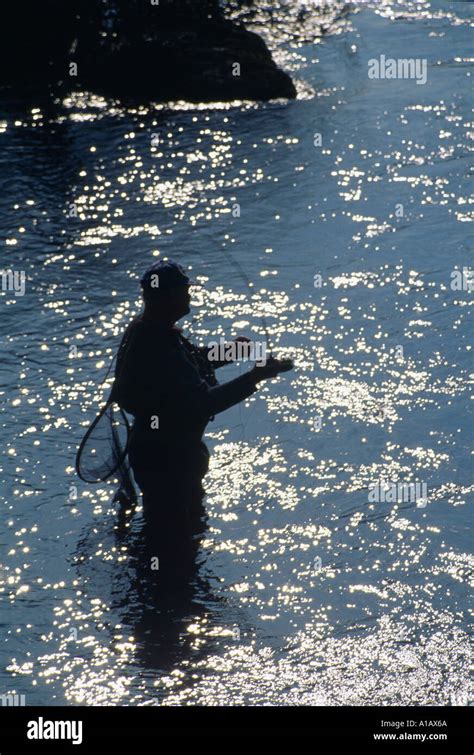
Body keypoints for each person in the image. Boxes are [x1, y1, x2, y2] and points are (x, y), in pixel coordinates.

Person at [112, 259, 293, 577]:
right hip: (167, 462)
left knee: (176, 534)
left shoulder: (152, 332)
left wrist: (232, 352)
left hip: (162, 455)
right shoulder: (158, 344)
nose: (190, 298)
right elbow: (203, 403)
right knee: (173, 544)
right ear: (167, 297)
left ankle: (166, 599)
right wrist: (256, 377)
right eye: (184, 291)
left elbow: (192, 360)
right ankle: (170, 597)